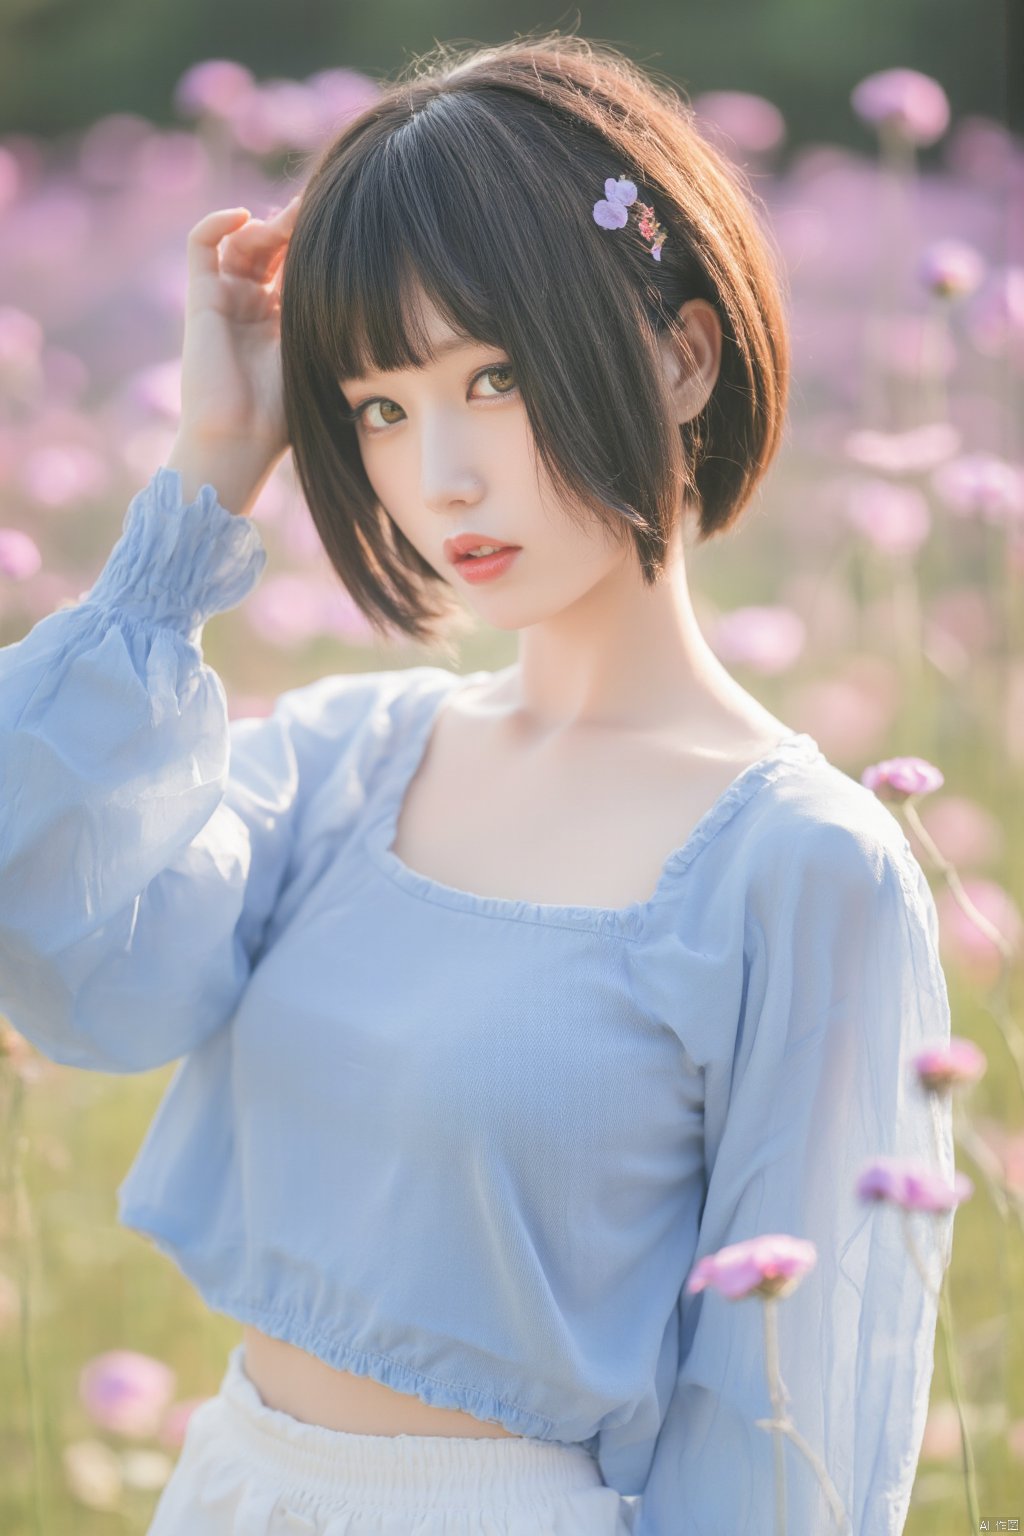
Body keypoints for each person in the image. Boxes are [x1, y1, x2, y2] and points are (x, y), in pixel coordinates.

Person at [0, 29, 955, 1536]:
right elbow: (60, 952)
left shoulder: (802, 865)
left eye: (490, 377)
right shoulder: (341, 764)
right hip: (234, 1493)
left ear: (685, 353)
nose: (436, 475)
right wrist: (200, 483)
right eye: (379, 406)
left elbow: (797, 1435)